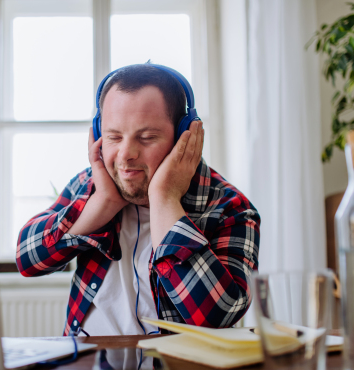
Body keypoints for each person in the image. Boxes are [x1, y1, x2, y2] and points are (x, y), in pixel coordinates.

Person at [16, 63, 261, 336]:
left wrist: (165, 199)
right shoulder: (89, 185)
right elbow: (27, 261)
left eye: (146, 138)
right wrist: (102, 205)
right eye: (113, 137)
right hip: (87, 367)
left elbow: (219, 315)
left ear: (184, 138)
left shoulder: (231, 208)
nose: (125, 154)